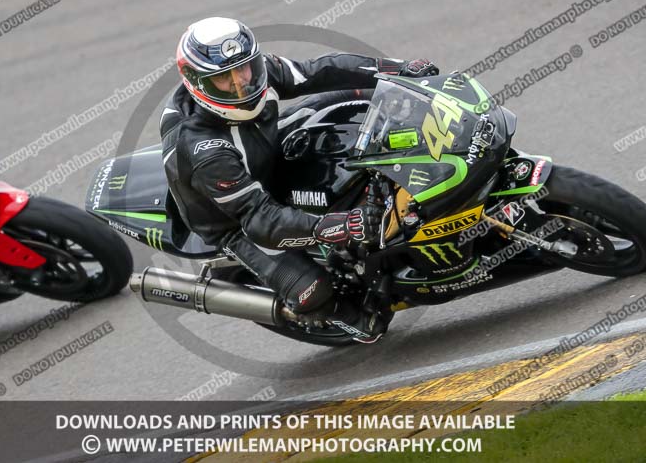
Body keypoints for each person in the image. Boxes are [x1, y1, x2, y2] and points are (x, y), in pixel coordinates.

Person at [161, 17, 438, 343]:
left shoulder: (256, 74)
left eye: (244, 69)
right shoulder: (204, 152)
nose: (241, 84)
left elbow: (321, 71)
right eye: (224, 78)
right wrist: (341, 225)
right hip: (237, 221)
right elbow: (259, 219)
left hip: (266, 151)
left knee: (352, 99)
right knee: (321, 297)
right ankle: (336, 313)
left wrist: (397, 70)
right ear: (199, 83)